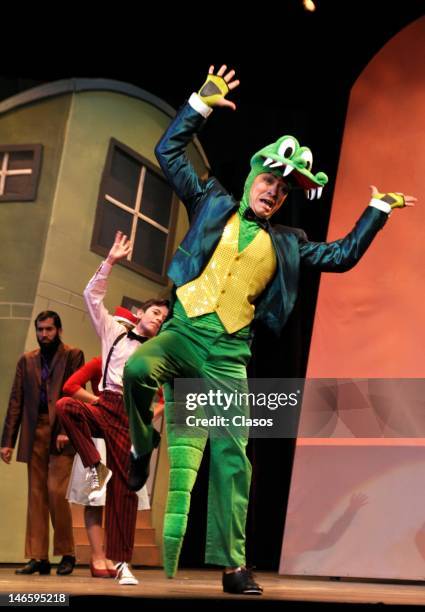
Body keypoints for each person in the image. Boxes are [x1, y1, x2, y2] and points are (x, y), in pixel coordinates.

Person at [123, 64, 417, 595]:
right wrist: (202, 103)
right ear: (254, 173)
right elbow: (168, 154)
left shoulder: (289, 242)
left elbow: (343, 256)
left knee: (235, 456)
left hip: (229, 353)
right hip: (185, 330)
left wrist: (377, 208)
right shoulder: (212, 202)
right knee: (140, 367)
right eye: (268, 180)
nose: (273, 192)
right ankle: (143, 449)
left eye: (282, 190)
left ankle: (233, 566)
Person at [56, 244, 168, 585]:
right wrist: (110, 261)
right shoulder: (114, 334)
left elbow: (166, 393)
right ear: (141, 313)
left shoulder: (159, 352)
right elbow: (91, 297)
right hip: (105, 405)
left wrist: (150, 416)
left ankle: (122, 564)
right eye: (155, 312)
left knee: (124, 492)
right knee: (66, 407)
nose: (159, 318)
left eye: (164, 317)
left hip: (131, 417)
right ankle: (94, 464)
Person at [0, 311, 84, 576]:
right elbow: (16, 401)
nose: (44, 334)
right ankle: (38, 556)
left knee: (56, 493)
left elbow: (74, 393)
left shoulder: (72, 355)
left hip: (60, 431)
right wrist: (7, 441)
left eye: (49, 329)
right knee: (36, 495)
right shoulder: (27, 361)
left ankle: (67, 553)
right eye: (40, 330)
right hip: (33, 431)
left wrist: (66, 430)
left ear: (59, 330)